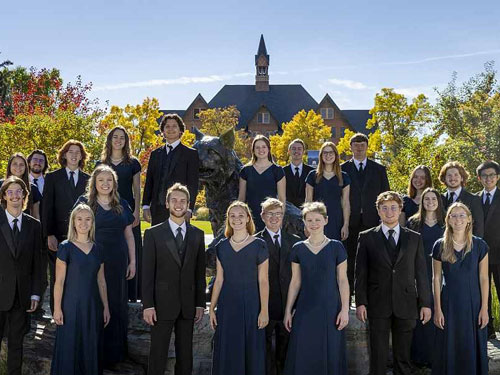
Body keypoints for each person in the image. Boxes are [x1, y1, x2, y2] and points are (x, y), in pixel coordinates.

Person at [355, 191, 431, 375]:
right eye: (385, 208)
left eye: (393, 208)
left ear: (400, 210)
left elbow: (421, 273)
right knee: (378, 355)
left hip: (406, 303)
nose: (389, 212)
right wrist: (360, 302)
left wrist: (425, 304)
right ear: (379, 211)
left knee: (403, 356)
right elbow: (360, 273)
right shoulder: (366, 237)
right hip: (377, 303)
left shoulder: (414, 237)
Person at [142, 183, 206, 375]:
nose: (179, 204)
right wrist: (148, 305)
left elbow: (199, 272)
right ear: (167, 203)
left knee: (186, 356)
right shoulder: (153, 234)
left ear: (188, 204)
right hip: (161, 305)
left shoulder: (197, 235)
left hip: (187, 306)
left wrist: (200, 304)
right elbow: (147, 273)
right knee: (158, 354)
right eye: (175, 200)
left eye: (183, 201)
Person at [75, 164, 135, 367]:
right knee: (94, 303)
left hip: (117, 261)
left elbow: (129, 235)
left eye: (109, 180)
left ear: (114, 183)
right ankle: (92, 353)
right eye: (101, 180)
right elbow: (75, 233)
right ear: (94, 183)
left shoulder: (122, 204)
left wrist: (133, 261)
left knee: (116, 304)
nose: (105, 183)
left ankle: (114, 355)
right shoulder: (84, 203)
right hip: (91, 261)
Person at [284, 202, 349, 375]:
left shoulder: (337, 247)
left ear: (326, 220)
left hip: (330, 309)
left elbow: (343, 280)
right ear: (304, 222)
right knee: (303, 351)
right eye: (309, 220)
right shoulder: (298, 249)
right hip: (305, 308)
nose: (314, 223)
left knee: (331, 351)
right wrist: (288, 311)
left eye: (317, 219)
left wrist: (344, 310)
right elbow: (295, 282)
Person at [210, 201, 269, 375]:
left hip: (251, 306)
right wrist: (212, 308)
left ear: (248, 218)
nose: (237, 219)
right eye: (232, 216)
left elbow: (263, 280)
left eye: (241, 215)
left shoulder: (260, 245)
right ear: (228, 219)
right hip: (227, 307)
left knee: (251, 350)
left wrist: (264, 310)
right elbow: (219, 280)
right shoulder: (221, 247)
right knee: (228, 348)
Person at [51, 204, 110, 375]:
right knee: (70, 347)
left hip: (93, 306)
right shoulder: (65, 247)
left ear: (92, 222)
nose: (83, 223)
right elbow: (59, 281)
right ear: (73, 222)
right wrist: (57, 308)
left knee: (91, 346)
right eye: (79, 219)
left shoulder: (98, 249)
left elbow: (101, 281)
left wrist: (105, 307)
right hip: (70, 306)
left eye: (88, 219)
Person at [432, 203, 489, 375]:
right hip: (449, 303)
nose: (458, 219)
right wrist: (437, 309)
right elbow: (436, 278)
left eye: (462, 215)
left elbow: (484, 278)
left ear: (469, 219)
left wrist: (484, 309)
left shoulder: (480, 245)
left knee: (471, 345)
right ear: (448, 220)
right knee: (448, 345)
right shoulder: (439, 245)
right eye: (454, 215)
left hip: (473, 304)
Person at [42, 140, 90, 314]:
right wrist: (49, 234)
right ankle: (58, 312)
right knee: (58, 276)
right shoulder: (53, 177)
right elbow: (46, 207)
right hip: (58, 236)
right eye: (70, 151)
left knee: (78, 275)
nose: (74, 155)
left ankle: (77, 311)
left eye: (78, 152)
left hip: (82, 236)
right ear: (64, 155)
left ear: (82, 156)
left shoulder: (88, 179)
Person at [0, 176, 41, 375]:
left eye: (19, 192)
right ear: (4, 196)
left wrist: (35, 293)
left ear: (25, 196)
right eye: (10, 192)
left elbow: (38, 264)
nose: (15, 196)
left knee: (17, 345)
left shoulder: (34, 226)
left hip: (22, 296)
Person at [97, 126, 143, 301]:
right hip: (106, 211)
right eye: (115, 137)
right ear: (109, 140)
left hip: (127, 211)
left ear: (126, 141)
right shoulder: (101, 164)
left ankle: (131, 293)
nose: (118, 140)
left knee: (131, 248)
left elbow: (137, 190)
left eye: (122, 138)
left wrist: (137, 212)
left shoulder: (133, 163)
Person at [255, 198, 300, 375]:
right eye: (270, 214)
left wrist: (296, 306)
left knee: (285, 353)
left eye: (278, 214)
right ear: (262, 216)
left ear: (283, 216)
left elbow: (299, 276)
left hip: (287, 306)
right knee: (264, 354)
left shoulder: (295, 241)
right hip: (263, 307)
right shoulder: (255, 241)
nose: (274, 218)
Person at [341, 132, 390, 294]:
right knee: (350, 257)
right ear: (351, 148)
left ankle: (370, 292)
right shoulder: (342, 169)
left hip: (372, 220)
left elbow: (386, 196)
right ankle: (350, 293)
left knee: (371, 257)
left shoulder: (379, 169)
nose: (359, 148)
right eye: (356, 145)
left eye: (363, 145)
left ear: (367, 147)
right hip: (350, 221)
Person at [406, 188, 445, 367]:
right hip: (418, 272)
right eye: (426, 199)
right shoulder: (413, 222)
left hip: (440, 274)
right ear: (422, 202)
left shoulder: (445, 223)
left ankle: (436, 357)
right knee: (420, 312)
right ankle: (418, 357)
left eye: (433, 199)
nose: (430, 202)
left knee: (437, 310)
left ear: (438, 201)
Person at [142, 113, 199, 225]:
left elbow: (193, 183)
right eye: (167, 126)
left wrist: (189, 208)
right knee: (157, 241)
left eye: (174, 126)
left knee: (178, 242)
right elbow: (149, 181)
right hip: (157, 209)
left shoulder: (190, 154)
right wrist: (145, 205)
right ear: (163, 130)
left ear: (180, 130)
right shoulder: (155, 154)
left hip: (179, 209)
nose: (170, 129)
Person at [238, 135, 286, 232]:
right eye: (257, 147)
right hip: (251, 217)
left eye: (264, 147)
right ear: (253, 150)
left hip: (271, 217)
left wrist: (279, 220)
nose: (261, 150)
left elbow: (282, 199)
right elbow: (241, 198)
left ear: (268, 149)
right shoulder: (245, 170)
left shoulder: (277, 170)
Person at [305, 142, 350, 241]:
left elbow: (346, 203)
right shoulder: (312, 176)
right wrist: (306, 224)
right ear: (321, 156)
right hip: (316, 220)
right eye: (325, 153)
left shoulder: (344, 176)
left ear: (336, 155)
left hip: (336, 220)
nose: (328, 155)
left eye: (331, 153)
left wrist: (346, 225)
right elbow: (308, 201)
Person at [476, 160, 500, 339]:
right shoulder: (474, 199)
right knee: (483, 293)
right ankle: (488, 328)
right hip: (480, 254)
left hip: (499, 253)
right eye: (485, 175)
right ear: (479, 178)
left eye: (492, 175)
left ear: (497, 177)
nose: (488, 178)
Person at [27, 149, 49, 316]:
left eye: (41, 161)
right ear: (29, 162)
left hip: (45, 233)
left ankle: (38, 306)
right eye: (35, 159)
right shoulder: (20, 183)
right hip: (24, 234)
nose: (38, 163)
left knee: (41, 271)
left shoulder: (49, 183)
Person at [439, 161, 484, 237]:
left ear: (462, 177)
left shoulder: (473, 199)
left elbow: (478, 227)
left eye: (456, 175)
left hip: (466, 245)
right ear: (444, 178)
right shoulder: (438, 199)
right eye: (449, 175)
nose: (453, 178)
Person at [1, 152, 42, 219]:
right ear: (9, 166)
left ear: (26, 167)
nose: (18, 167)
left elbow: (36, 216)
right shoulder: (0, 184)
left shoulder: (33, 188)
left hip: (25, 228)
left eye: (21, 164)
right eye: (15, 164)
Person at [282, 139, 313, 209]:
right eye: (294, 149)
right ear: (289, 151)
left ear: (303, 152)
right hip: (287, 213)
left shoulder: (311, 172)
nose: (296, 151)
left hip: (307, 212)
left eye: (299, 149)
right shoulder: (281, 171)